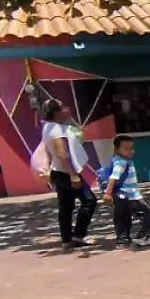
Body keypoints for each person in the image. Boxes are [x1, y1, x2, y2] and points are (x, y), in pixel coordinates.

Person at [38, 100, 96, 249]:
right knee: (89, 200)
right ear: (57, 112)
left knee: (66, 206)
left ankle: (67, 239)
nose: (67, 107)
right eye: (63, 106)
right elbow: (62, 153)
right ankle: (78, 235)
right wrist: (73, 174)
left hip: (58, 171)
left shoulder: (49, 127)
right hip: (65, 172)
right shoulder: (57, 129)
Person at [101, 135, 150, 248]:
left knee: (123, 218)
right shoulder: (121, 162)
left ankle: (123, 240)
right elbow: (114, 177)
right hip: (130, 196)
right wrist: (107, 194)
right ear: (117, 149)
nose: (131, 151)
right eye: (126, 148)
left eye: (132, 148)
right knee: (147, 213)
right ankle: (143, 237)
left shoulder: (119, 160)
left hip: (122, 196)